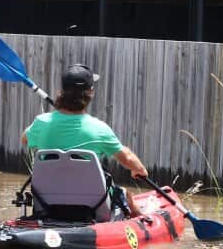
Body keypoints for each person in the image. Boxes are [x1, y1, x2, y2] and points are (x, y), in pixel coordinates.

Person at [22, 63, 148, 216]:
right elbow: (127, 158)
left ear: (60, 92)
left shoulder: (41, 123)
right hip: (92, 207)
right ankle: (143, 223)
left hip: (48, 204)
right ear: (91, 92)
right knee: (125, 194)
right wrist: (139, 169)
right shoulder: (99, 129)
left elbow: (24, 140)